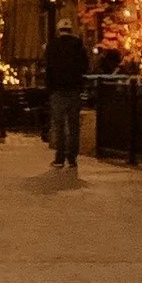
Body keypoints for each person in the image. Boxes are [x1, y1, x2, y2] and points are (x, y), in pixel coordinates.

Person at [44, 15, 89, 169]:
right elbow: (85, 66)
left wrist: (49, 88)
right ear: (70, 30)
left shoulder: (52, 46)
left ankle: (59, 158)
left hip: (58, 91)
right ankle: (72, 158)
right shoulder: (78, 45)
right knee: (74, 125)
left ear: (59, 30)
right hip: (74, 91)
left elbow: (48, 69)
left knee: (59, 126)